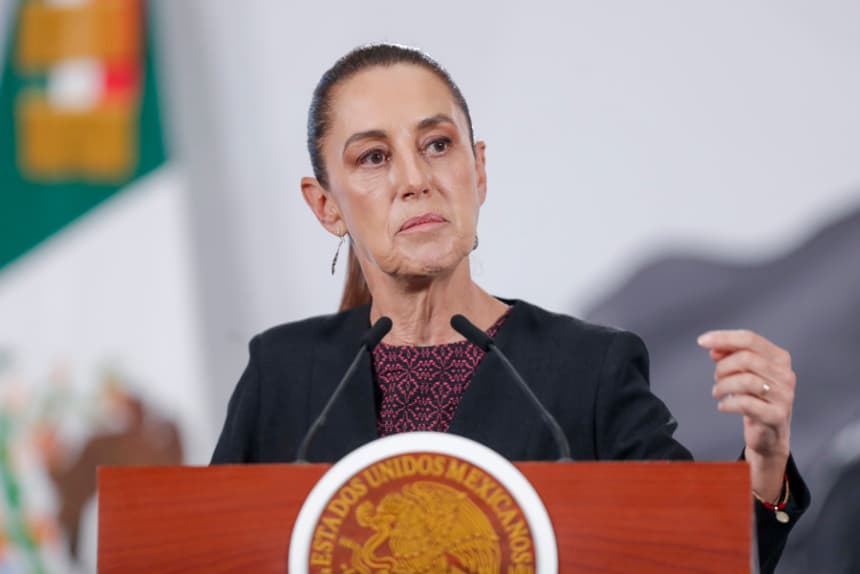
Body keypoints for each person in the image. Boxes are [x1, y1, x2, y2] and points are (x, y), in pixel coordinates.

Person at [211, 44, 809, 572]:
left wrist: (764, 464)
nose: (415, 179)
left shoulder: (588, 368)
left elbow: (699, 557)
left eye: (438, 145)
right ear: (326, 207)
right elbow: (199, 551)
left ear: (480, 170)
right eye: (374, 157)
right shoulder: (283, 373)